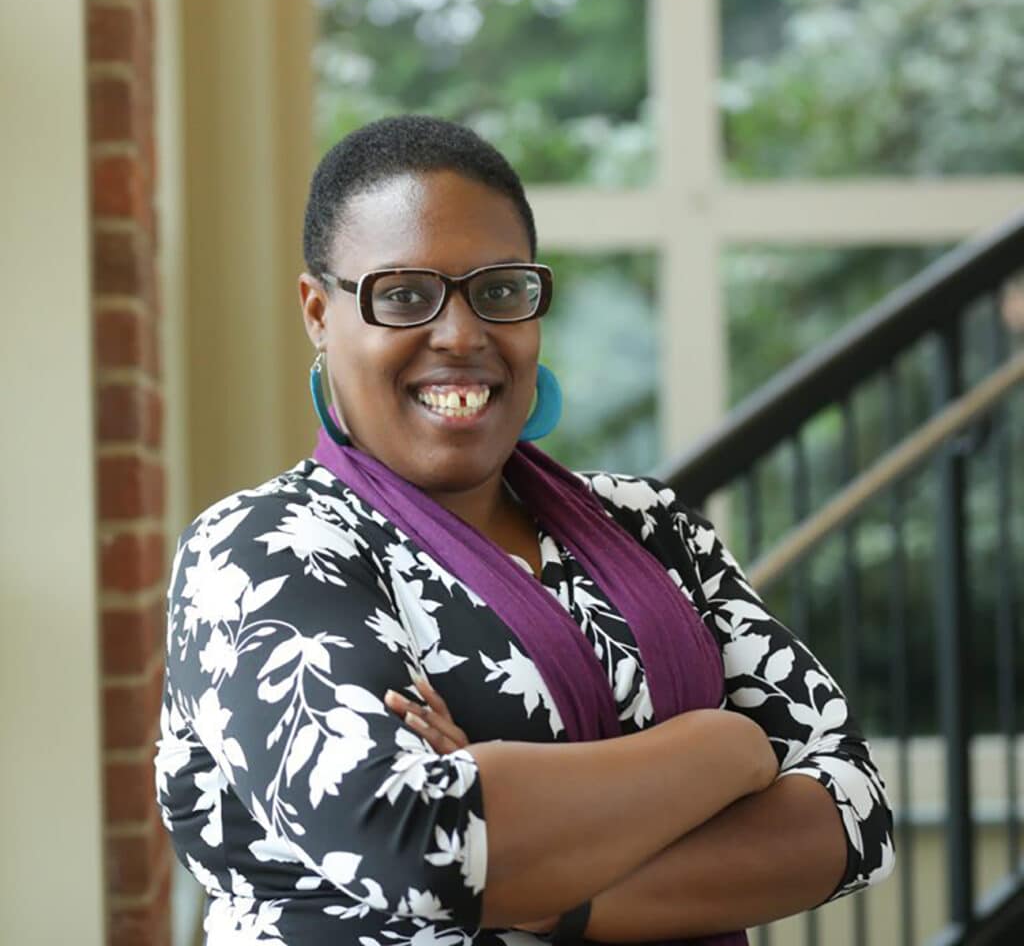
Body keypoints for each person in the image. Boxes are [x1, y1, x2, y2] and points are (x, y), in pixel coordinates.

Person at [156, 115, 894, 946]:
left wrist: (547, 890)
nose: (462, 334)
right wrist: (726, 749)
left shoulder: (649, 526)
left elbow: (854, 816)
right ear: (319, 312)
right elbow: (412, 845)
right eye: (404, 295)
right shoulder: (263, 551)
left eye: (499, 291)